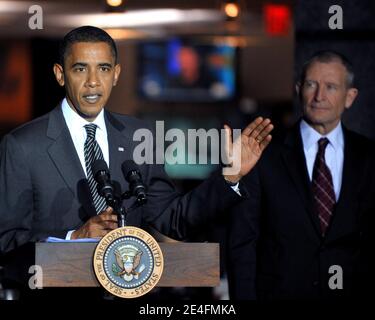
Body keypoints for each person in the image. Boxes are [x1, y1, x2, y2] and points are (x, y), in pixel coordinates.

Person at [0, 26, 273, 287]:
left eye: (104, 69)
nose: (93, 81)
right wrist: (73, 237)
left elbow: (172, 218)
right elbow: (6, 242)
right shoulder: (23, 146)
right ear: (60, 74)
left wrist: (230, 175)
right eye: (80, 68)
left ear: (116, 74)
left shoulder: (138, 135)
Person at [227, 50, 375, 300]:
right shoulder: (261, 154)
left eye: (331, 87)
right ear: (298, 90)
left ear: (350, 97)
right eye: (311, 85)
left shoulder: (369, 157)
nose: (319, 96)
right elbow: (243, 242)